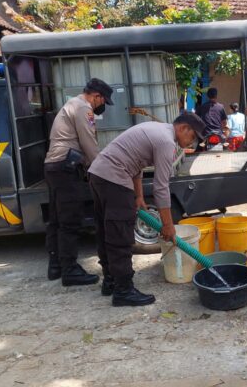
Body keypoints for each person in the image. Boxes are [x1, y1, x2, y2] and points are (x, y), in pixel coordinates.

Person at [87, 114, 206, 307]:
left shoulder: (157, 129)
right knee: (120, 236)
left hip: (98, 174)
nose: (191, 142)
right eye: (193, 137)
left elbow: (137, 162)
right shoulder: (167, 142)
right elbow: (161, 187)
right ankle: (123, 290)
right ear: (184, 128)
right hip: (115, 177)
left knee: (105, 231)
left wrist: (139, 196)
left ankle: (111, 281)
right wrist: (168, 225)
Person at [44, 78, 113, 286]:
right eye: (103, 101)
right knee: (70, 220)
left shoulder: (71, 104)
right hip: (66, 168)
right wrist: (103, 171)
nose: (102, 106)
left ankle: (56, 265)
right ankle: (70, 270)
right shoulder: (84, 108)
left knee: (56, 219)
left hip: (53, 166)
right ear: (96, 96)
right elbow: (89, 144)